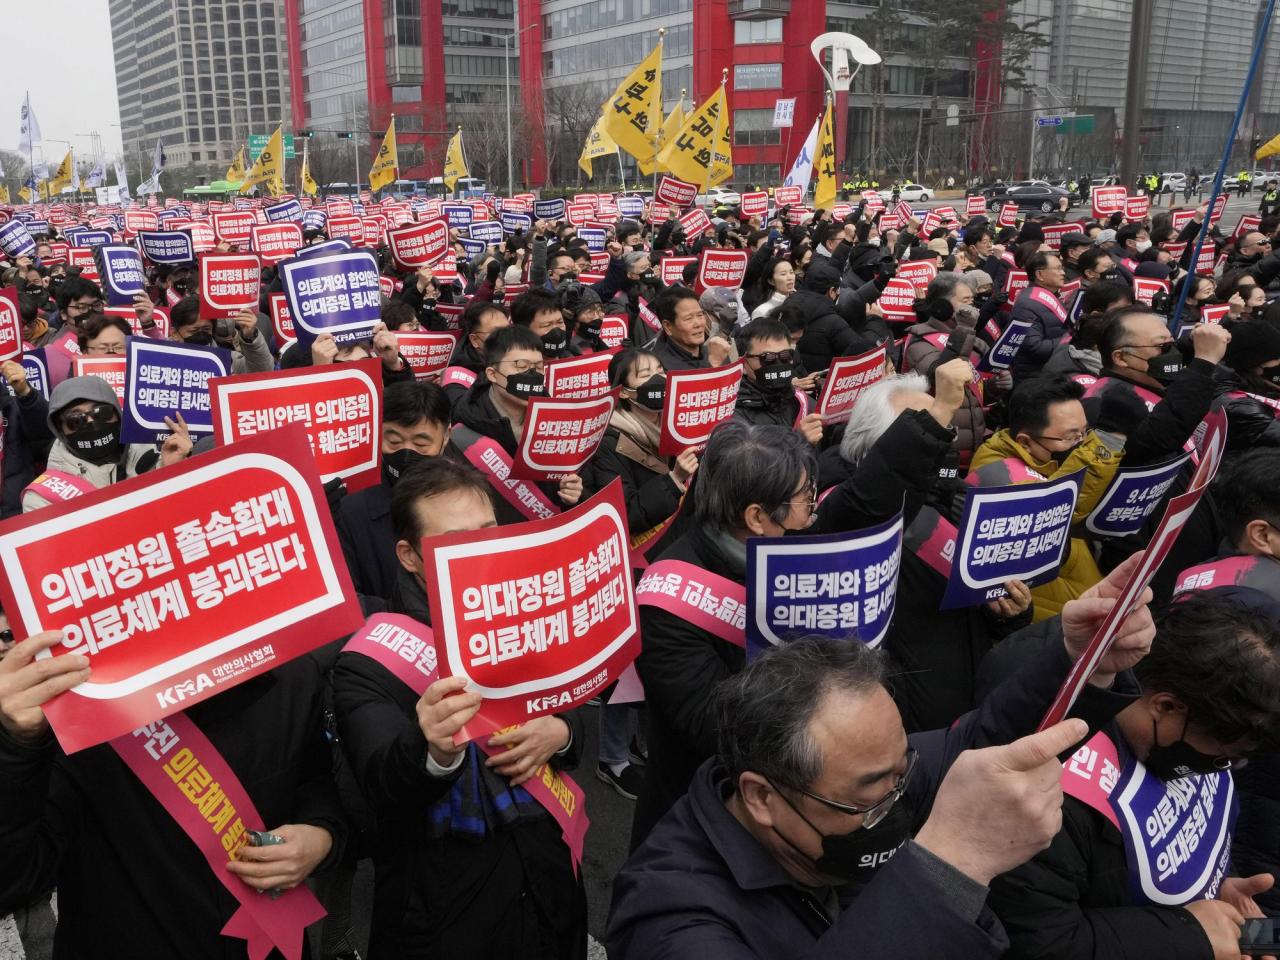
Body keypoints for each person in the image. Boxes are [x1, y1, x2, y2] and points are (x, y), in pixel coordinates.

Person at [609, 555, 1158, 960]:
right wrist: (951, 866)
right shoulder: (672, 918)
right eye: (873, 793)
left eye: (902, 773)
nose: (899, 799)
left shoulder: (865, 781)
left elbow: (976, 744)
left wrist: (1082, 659)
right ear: (761, 797)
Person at [331, 457, 586, 959]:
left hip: (550, 883)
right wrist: (432, 749)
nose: (483, 552)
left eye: (489, 531)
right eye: (456, 542)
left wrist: (561, 730)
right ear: (408, 555)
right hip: (440, 912)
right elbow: (380, 785)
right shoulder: (369, 659)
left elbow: (575, 702)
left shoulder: (529, 614)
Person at [0, 630, 348, 958]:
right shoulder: (68, 707)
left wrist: (322, 834)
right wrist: (15, 743)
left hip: (270, 943)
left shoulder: (288, 671)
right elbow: (15, 879)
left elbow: (316, 782)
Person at [986, 591, 1280, 960]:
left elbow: (1194, 832)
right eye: (1222, 756)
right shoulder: (1045, 790)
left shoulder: (1195, 733)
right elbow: (1040, 942)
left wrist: (1216, 889)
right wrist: (1191, 936)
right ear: (1167, 706)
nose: (1221, 767)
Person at [813, 364, 1034, 731]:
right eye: (924, 427)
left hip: (966, 713)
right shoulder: (848, 514)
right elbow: (877, 496)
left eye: (944, 428)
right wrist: (944, 403)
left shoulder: (954, 503)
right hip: (903, 731)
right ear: (879, 445)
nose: (941, 439)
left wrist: (1007, 615)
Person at [631, 421, 817, 846]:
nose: (811, 510)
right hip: (704, 813)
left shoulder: (789, 546)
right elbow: (711, 726)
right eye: (804, 500)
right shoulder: (670, 598)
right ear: (756, 517)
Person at [970, 376, 1124, 620]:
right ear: (1025, 442)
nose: (1082, 444)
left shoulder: (1043, 459)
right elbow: (1061, 514)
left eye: (1085, 432)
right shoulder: (1000, 479)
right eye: (1070, 437)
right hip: (1055, 620)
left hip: (1082, 593)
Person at [450, 324, 584, 523]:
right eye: (521, 366)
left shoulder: (556, 420)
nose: (532, 374)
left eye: (538, 367)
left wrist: (570, 492)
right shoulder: (464, 431)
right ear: (492, 374)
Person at [336, 380, 453, 602]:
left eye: (421, 445)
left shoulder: (468, 498)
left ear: (446, 436)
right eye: (394, 441)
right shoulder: (351, 509)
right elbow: (349, 602)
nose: (406, 453)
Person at [22, 376, 192, 513]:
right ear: (60, 430)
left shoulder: (157, 461)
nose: (91, 422)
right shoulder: (43, 499)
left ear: (118, 414)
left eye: (102, 412)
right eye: (75, 420)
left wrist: (172, 471)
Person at [902, 273, 992, 466]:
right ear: (942, 306)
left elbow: (973, 390)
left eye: (973, 300)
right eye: (965, 301)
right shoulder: (920, 341)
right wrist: (964, 330)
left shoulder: (974, 341)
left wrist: (994, 386)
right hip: (942, 450)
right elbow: (940, 376)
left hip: (973, 449)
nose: (972, 307)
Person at [732, 317, 823, 444]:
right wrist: (798, 440)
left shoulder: (800, 400)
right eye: (767, 358)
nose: (778, 363)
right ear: (743, 362)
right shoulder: (732, 413)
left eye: (786, 356)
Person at [787, 259, 881, 376]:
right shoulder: (833, 322)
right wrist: (875, 321)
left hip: (799, 382)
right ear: (831, 291)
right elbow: (864, 354)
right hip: (824, 384)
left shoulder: (786, 308)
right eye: (838, 290)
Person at [167, 297, 273, 374]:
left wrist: (251, 337)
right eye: (194, 330)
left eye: (206, 329)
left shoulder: (228, 360)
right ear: (175, 333)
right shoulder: (161, 361)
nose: (201, 335)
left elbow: (263, 373)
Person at [1009, 252, 1070, 382]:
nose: (1063, 273)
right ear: (1040, 275)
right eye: (1058, 269)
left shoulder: (1051, 296)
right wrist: (1071, 340)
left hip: (1053, 373)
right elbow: (1034, 347)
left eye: (1062, 268)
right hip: (1037, 380)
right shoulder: (1027, 303)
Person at [648, 286, 710, 370]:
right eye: (688, 318)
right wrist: (714, 364)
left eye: (700, 315)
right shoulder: (659, 368)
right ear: (668, 327)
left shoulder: (716, 354)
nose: (698, 324)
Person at [510, 286, 572, 359]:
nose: (556, 332)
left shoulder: (576, 358)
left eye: (560, 322)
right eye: (546, 325)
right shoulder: (513, 367)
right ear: (524, 330)